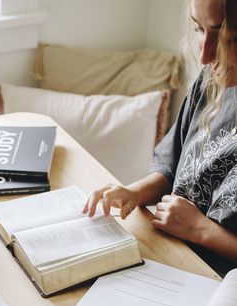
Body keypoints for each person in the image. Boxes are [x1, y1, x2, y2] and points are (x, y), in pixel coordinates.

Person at [83, 0, 237, 276]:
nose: (204, 56)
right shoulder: (212, 80)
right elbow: (171, 166)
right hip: (171, 256)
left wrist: (202, 229)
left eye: (229, 39)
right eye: (198, 29)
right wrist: (134, 192)